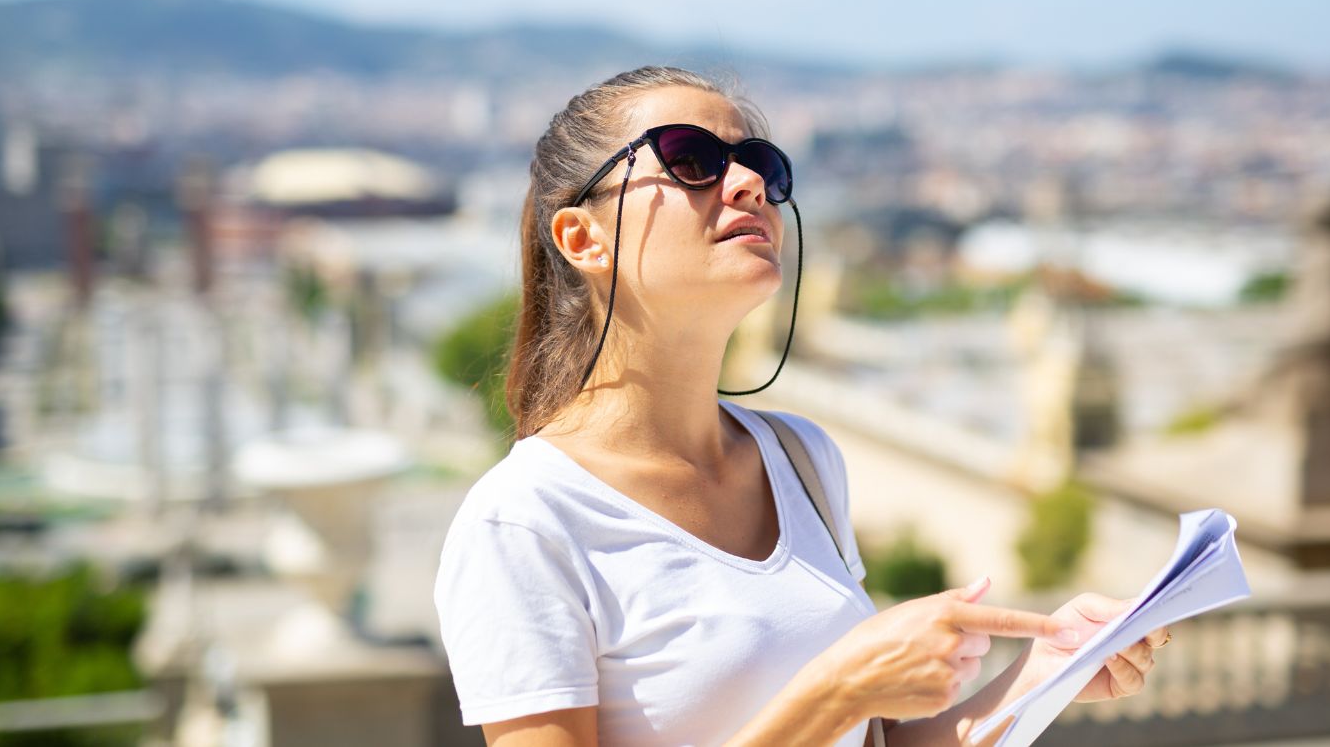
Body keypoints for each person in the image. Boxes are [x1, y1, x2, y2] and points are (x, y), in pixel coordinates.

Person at [433, 67, 1170, 746]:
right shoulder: (525, 521)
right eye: (691, 158)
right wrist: (836, 692)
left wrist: (1045, 671)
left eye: (765, 164)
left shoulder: (801, 459)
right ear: (582, 239)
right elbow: (836, 712)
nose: (749, 182)